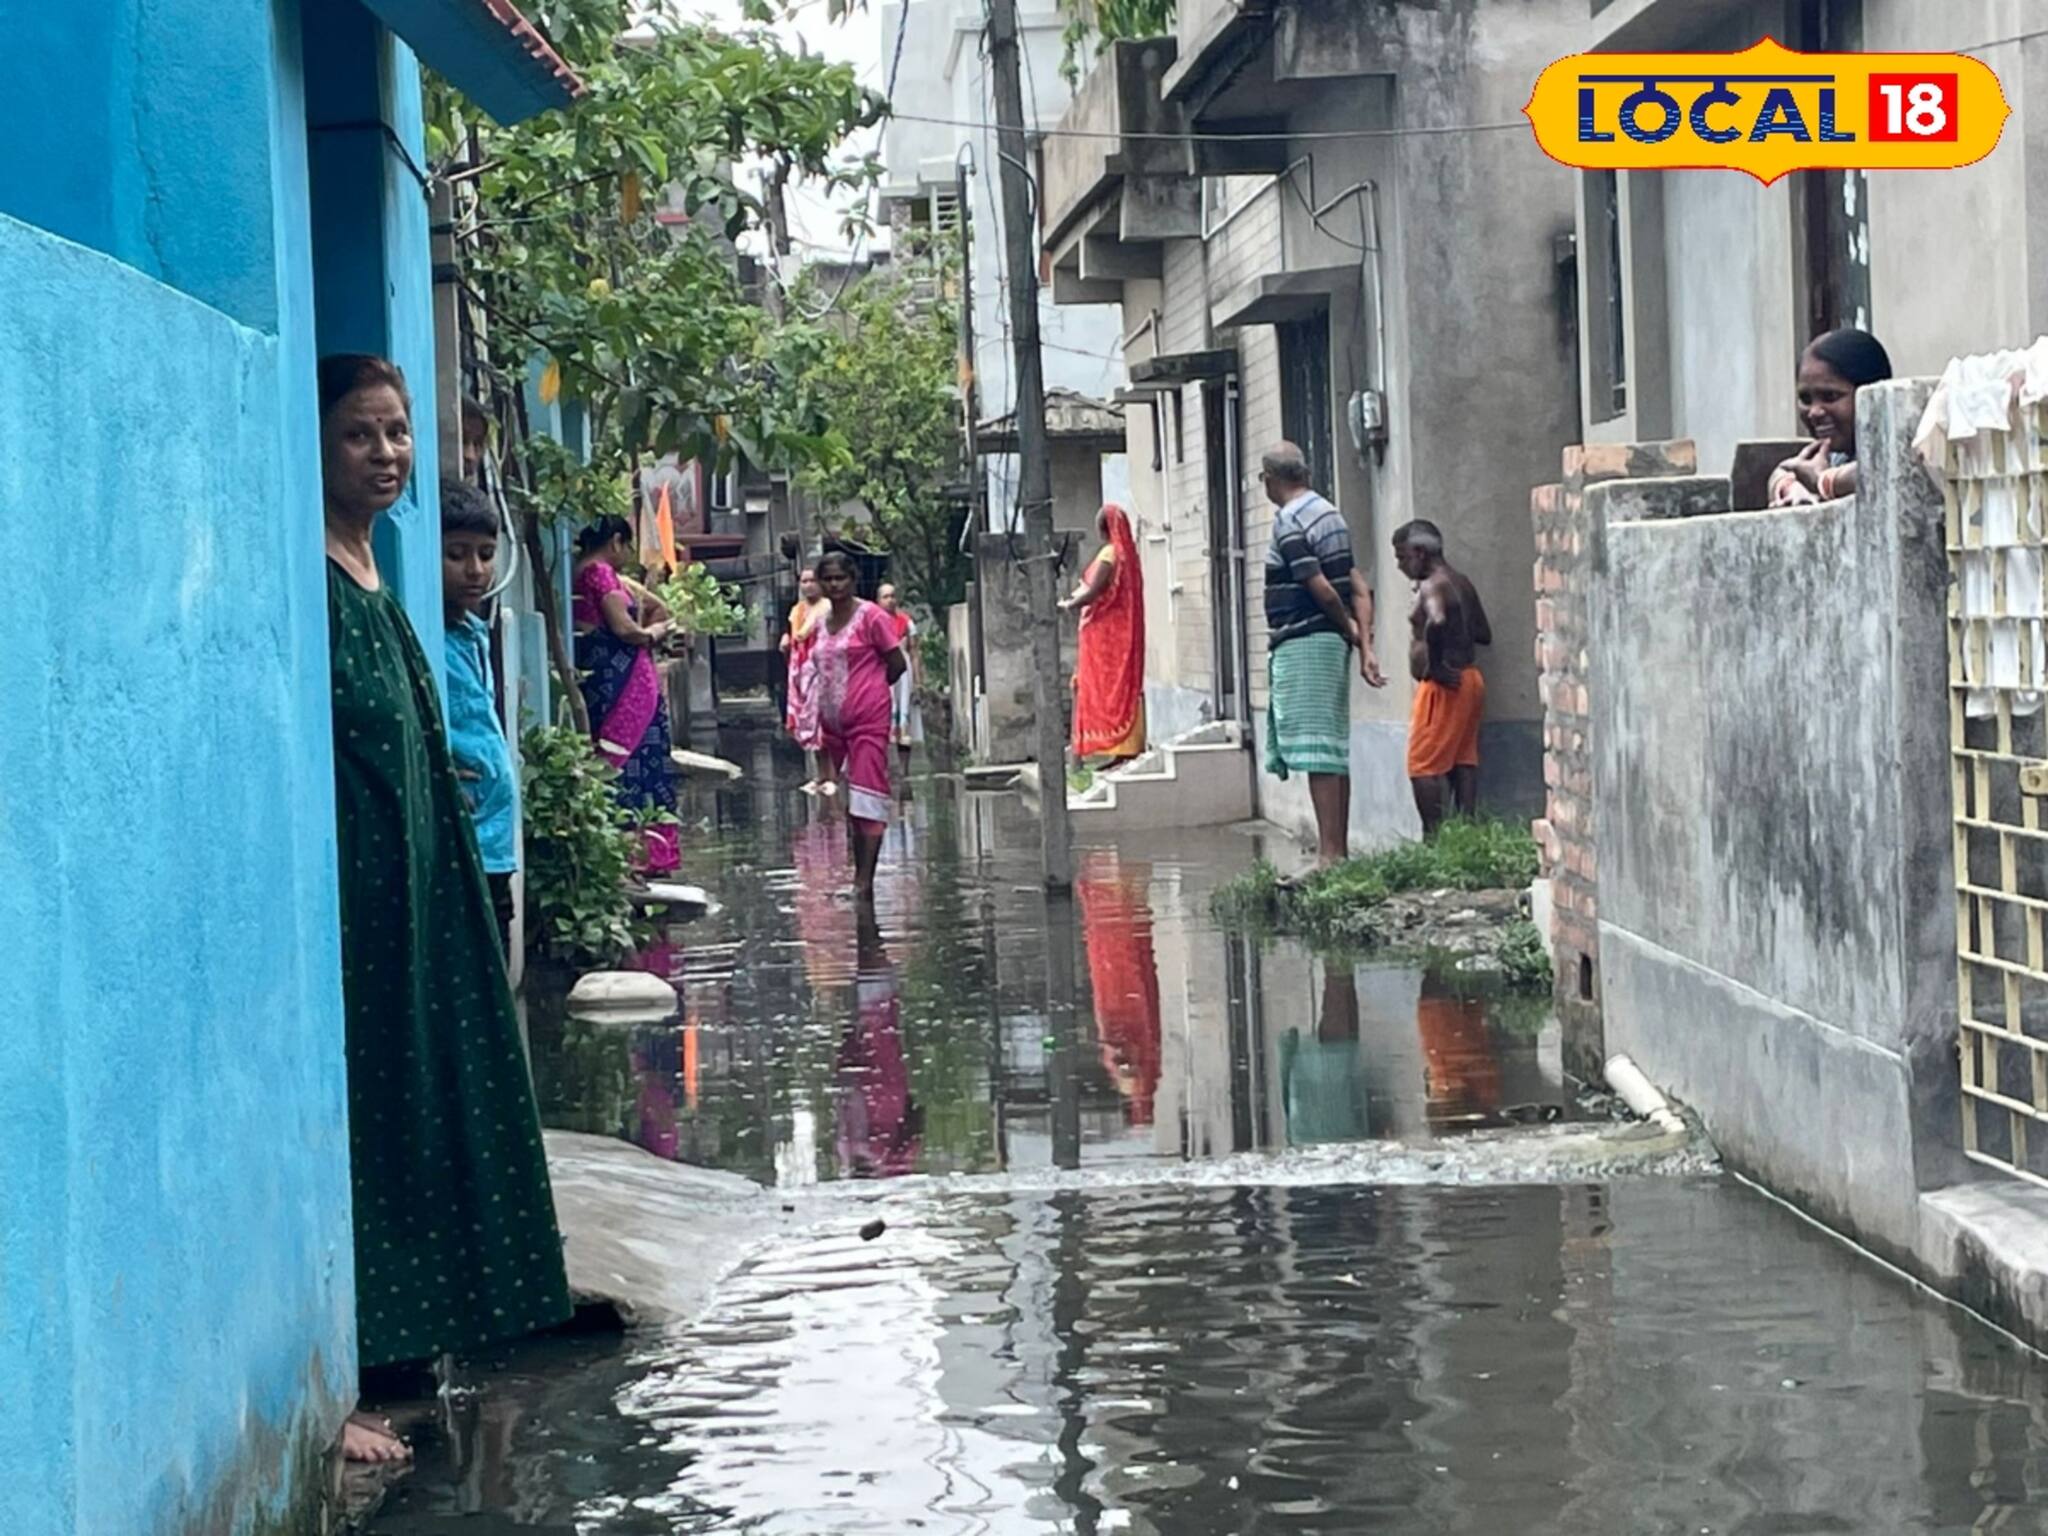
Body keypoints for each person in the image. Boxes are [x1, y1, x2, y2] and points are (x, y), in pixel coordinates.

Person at [319, 355, 571, 1465]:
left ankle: (430, 1334)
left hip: (423, 887)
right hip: (364, 906)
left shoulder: (382, 568)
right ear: (316, 446)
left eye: (398, 432)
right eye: (359, 434)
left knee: (441, 1092)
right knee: (380, 1111)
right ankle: (366, 1358)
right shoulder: (313, 575)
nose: (385, 453)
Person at [1259, 443, 1384, 866]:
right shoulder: (1331, 514)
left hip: (1307, 638)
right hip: (1327, 640)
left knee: (1318, 752)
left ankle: (1331, 855)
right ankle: (1337, 851)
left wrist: (1349, 628)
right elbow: (1357, 585)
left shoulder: (1290, 520)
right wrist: (1364, 644)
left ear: (1270, 480)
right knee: (1329, 748)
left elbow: (1323, 589)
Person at [571, 515, 680, 875]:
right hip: (622, 682)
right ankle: (640, 855)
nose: (628, 554)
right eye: (627, 546)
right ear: (616, 541)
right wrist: (656, 633)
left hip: (610, 677)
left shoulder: (585, 571)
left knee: (623, 759)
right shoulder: (599, 572)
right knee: (636, 760)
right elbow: (625, 629)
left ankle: (630, 852)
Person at [441, 479, 520, 956]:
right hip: (461, 840)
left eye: (486, 555)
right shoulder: (429, 638)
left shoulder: (472, 634)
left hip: (495, 840)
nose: (475, 570)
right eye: (456, 555)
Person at [811, 551, 908, 898]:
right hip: (834, 725)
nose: (834, 585)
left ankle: (864, 882)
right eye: (828, 579)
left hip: (867, 719)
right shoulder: (821, 622)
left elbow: (897, 663)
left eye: (841, 578)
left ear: (853, 580)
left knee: (868, 798)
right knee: (849, 802)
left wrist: (872, 690)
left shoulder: (871, 617)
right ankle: (857, 873)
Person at [1394, 519, 1491, 838]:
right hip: (1470, 679)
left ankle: (1432, 839)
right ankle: (1467, 834)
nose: (1400, 565)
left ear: (1420, 553)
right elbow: (1483, 633)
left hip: (1443, 686)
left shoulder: (1432, 585)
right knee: (1463, 759)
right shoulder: (1461, 582)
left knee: (1421, 764)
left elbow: (1436, 621)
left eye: (1402, 557)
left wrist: (1434, 664)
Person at [1061, 505, 1147, 764]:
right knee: (1124, 686)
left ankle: (1119, 747)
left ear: (1103, 529)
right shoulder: (1128, 556)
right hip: (1124, 632)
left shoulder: (1110, 554)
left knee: (1105, 688)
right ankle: (1125, 748)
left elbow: (1094, 590)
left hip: (1107, 636)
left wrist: (1070, 604)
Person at [1771, 327, 1894, 505]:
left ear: (1871, 396)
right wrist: (1789, 487)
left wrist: (1823, 481)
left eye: (1830, 396)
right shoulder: (1836, 456)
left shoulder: (1901, 449)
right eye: (1805, 399)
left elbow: (1876, 474)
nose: (1814, 412)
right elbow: (1782, 470)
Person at [781, 567, 830, 794]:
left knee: (825, 722)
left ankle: (832, 775)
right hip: (801, 672)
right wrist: (785, 643)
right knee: (809, 723)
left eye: (812, 580)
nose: (808, 585)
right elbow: (793, 641)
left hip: (823, 671)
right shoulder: (797, 611)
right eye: (804, 581)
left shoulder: (828, 608)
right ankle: (820, 776)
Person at [877, 583, 922, 780]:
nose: (890, 600)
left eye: (893, 596)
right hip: (880, 672)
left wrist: (918, 681)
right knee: (884, 717)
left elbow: (914, 652)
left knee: (904, 718)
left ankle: (904, 770)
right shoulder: (873, 622)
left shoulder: (906, 622)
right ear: (878, 601)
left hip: (903, 673)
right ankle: (883, 770)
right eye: (885, 596)